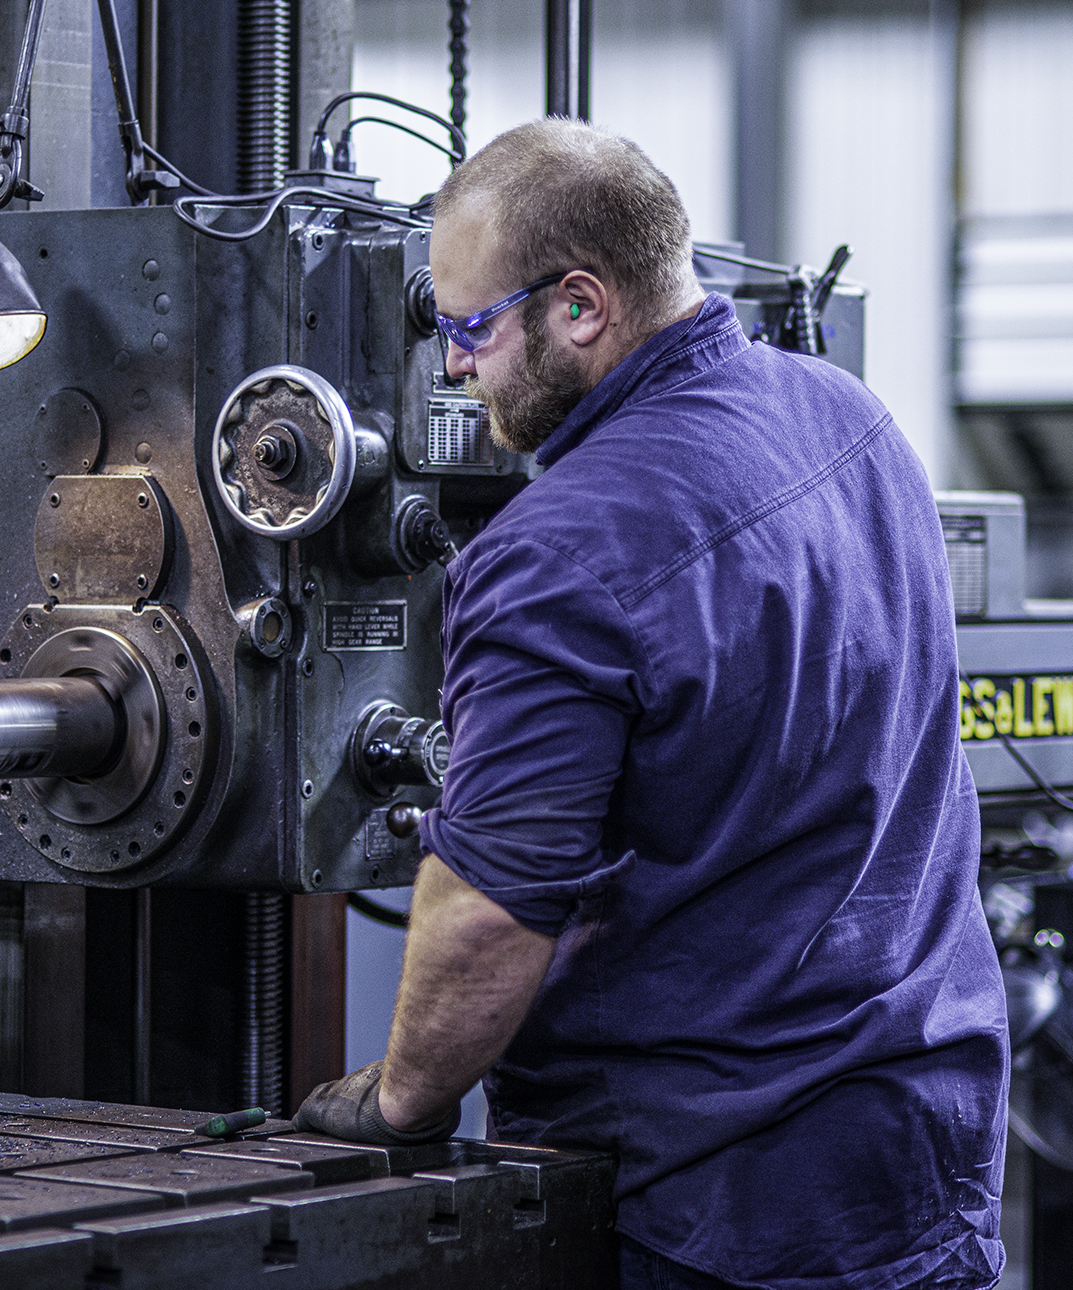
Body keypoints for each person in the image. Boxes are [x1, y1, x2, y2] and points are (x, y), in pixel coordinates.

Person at [296, 119, 1008, 1290]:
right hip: (923, 1130)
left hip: (718, 1194)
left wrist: (401, 1098)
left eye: (470, 328)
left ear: (581, 305)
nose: (455, 367)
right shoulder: (852, 417)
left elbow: (489, 911)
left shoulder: (562, 546)